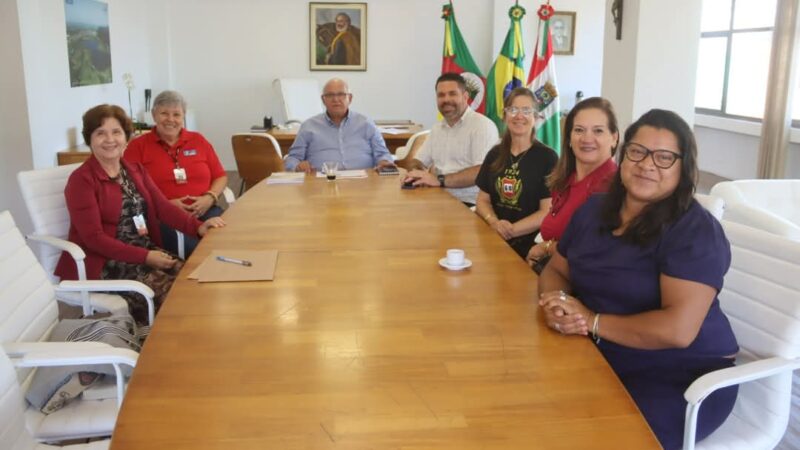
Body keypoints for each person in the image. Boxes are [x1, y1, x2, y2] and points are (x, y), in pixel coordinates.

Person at [537, 109, 738, 450]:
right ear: (623, 152)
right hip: (599, 355)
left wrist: (591, 321)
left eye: (664, 158)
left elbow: (677, 330)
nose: (647, 165)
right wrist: (556, 304)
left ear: (683, 167)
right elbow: (557, 269)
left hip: (679, 377)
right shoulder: (593, 211)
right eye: (638, 151)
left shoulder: (695, 230)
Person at [56, 105, 225, 324]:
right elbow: (94, 239)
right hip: (106, 261)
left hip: (141, 250)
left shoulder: (134, 170)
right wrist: (145, 256)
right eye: (100, 133)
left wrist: (197, 227)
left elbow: (162, 207)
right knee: (171, 298)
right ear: (90, 139)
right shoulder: (82, 181)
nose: (109, 139)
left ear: (126, 137)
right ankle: (158, 347)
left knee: (194, 281)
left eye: (116, 132)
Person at [123, 90, 227, 258]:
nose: (171, 120)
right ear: (154, 115)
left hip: (205, 210)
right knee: (198, 251)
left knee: (228, 239)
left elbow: (220, 175)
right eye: (164, 113)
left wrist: (210, 197)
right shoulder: (138, 147)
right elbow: (130, 189)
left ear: (183, 116)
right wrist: (165, 205)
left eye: (176, 114)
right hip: (164, 218)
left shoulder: (198, 140)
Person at [525, 97, 619, 270]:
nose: (586, 138)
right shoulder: (564, 179)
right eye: (579, 130)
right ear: (568, 138)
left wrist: (546, 248)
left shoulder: (613, 187)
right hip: (551, 275)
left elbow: (594, 251)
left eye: (598, 131)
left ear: (614, 138)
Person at [475, 87, 557, 259]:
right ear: (504, 116)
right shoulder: (494, 154)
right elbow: (482, 200)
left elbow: (547, 212)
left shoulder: (547, 158)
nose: (519, 116)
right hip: (493, 239)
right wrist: (494, 222)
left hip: (530, 247)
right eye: (513, 110)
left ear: (536, 117)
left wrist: (511, 230)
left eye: (526, 110)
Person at [403, 72, 499, 206]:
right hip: (437, 197)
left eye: (452, 93)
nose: (446, 99)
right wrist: (418, 174)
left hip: (471, 204)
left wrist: (438, 180)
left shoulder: (482, 126)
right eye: (441, 95)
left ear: (465, 96)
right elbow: (418, 161)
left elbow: (481, 172)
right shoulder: (437, 128)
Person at [284, 78, 394, 173]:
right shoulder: (308, 126)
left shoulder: (366, 123)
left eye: (341, 94)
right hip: (320, 184)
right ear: (323, 99)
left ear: (350, 98)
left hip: (363, 183)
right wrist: (297, 166)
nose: (336, 99)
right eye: (330, 95)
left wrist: (384, 162)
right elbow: (293, 158)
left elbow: (382, 153)